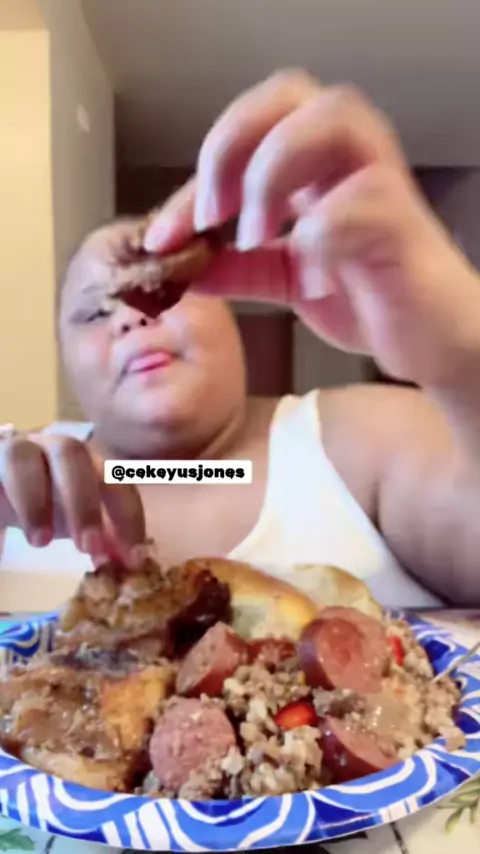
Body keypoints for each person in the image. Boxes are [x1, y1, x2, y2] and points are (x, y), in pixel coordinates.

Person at [2, 69, 480, 613]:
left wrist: (464, 357)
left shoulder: (366, 436)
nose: (132, 319)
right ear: (63, 358)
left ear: (228, 304)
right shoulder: (17, 482)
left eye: (167, 290)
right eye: (93, 313)